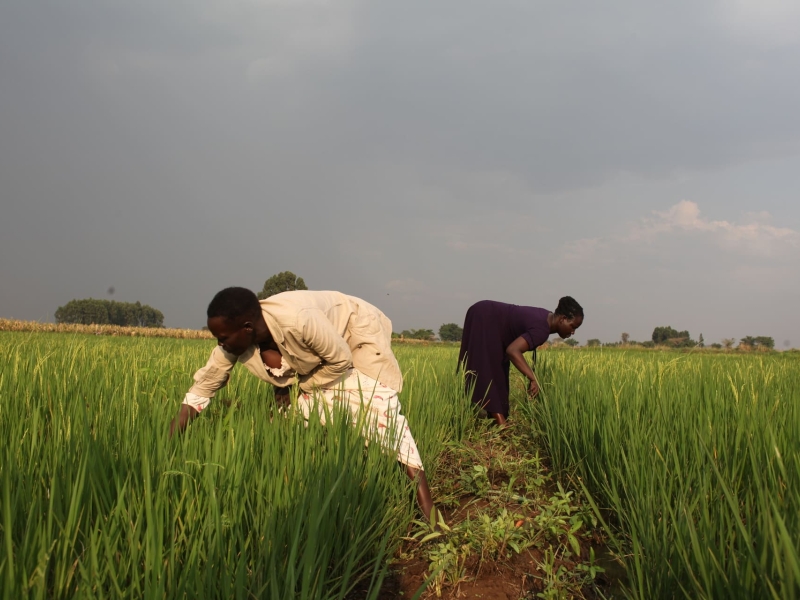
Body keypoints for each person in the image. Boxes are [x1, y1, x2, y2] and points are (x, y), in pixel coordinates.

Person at [169, 287, 435, 517]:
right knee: (295, 413)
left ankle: (430, 514)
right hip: (316, 353)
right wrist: (170, 441)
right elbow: (204, 387)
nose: (220, 343)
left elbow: (340, 360)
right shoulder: (236, 341)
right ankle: (344, 468)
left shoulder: (299, 320)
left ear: (247, 328)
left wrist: (301, 385)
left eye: (223, 337)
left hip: (355, 329)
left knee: (378, 408)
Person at [457, 296, 584, 426]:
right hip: (485, 317)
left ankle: (497, 418)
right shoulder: (542, 330)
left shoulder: (546, 318)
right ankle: (501, 424)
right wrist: (533, 378)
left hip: (490, 319)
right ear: (562, 319)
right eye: (573, 326)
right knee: (487, 368)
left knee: (498, 372)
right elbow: (513, 351)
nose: (573, 332)